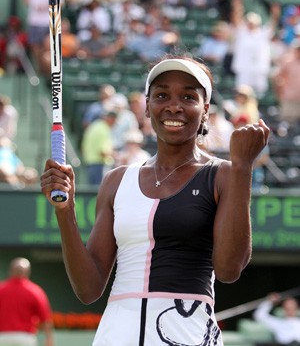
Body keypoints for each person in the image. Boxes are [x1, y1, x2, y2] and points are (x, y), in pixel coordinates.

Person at [40, 54, 270, 345]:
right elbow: (88, 289)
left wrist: (242, 168)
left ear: (205, 109)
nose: (174, 106)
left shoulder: (222, 174)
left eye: (188, 97)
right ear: (147, 107)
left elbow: (228, 269)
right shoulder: (116, 180)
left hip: (188, 335)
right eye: (162, 95)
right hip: (116, 336)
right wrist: (65, 209)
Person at [0, 257, 54, 346]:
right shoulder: (35, 291)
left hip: (2, 338)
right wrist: (49, 340)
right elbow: (46, 320)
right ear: (28, 272)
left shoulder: (1, 289)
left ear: (10, 271)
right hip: (25, 339)